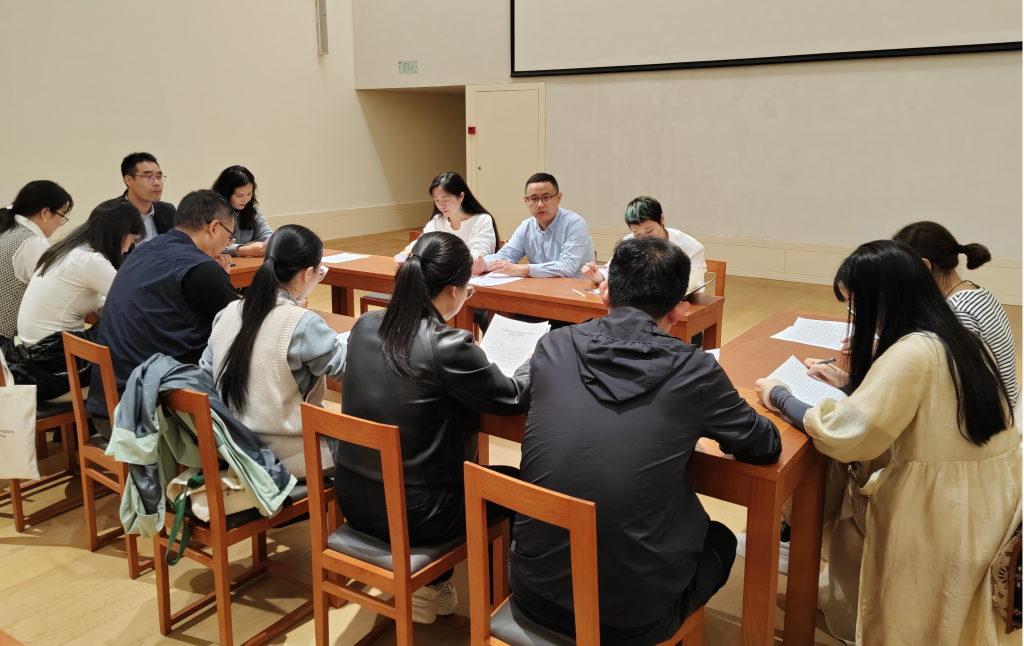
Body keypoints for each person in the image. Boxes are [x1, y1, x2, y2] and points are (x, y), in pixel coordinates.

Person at [510, 236, 782, 646]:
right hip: (630, 620)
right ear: (680, 309)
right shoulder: (695, 370)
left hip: (530, 592)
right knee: (721, 538)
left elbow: (529, 396)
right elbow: (763, 446)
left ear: (606, 294)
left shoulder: (553, 346)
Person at [755, 240, 1021, 646]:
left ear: (883, 302)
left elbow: (844, 434)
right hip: (992, 498)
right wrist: (850, 381)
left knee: (841, 495)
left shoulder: (914, 351)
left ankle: (825, 590)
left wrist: (778, 395)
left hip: (941, 508)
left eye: (856, 307)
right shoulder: (955, 333)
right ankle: (839, 603)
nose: (855, 318)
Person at [334, 231, 529, 624]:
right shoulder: (447, 345)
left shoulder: (366, 325)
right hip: (417, 513)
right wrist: (533, 359)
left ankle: (432, 586)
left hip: (351, 497)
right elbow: (512, 397)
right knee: (514, 486)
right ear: (454, 290)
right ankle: (500, 612)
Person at [201, 225, 346, 477]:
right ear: (308, 273)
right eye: (319, 272)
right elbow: (348, 369)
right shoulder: (302, 323)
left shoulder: (227, 313)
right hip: (291, 459)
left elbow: (204, 377)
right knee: (374, 445)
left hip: (234, 450)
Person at [86, 190, 239, 418]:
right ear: (214, 227)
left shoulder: (143, 251)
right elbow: (243, 328)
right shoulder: (202, 268)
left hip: (108, 402)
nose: (227, 244)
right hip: (151, 415)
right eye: (229, 236)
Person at [894, 221, 1019, 426]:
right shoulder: (974, 291)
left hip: (989, 420)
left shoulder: (957, 313)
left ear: (925, 266)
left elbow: (954, 388)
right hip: (1001, 405)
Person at [18, 198, 144, 345]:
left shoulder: (69, 249)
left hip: (30, 346)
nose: (128, 249)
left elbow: (97, 297)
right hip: (52, 350)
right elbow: (132, 302)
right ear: (119, 235)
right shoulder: (91, 260)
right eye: (132, 240)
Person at [582, 196, 707, 294]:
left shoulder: (690, 247)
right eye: (637, 234)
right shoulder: (629, 242)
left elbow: (697, 287)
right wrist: (594, 275)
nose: (645, 239)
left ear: (662, 219)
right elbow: (611, 272)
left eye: (649, 231)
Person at [481, 173, 594, 279]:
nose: (540, 205)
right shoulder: (525, 227)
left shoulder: (575, 224)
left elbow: (566, 268)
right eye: (534, 199)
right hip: (541, 289)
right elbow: (505, 256)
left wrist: (522, 269)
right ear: (526, 201)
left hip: (576, 290)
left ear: (558, 198)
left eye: (546, 197)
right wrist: (480, 265)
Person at [1, 180, 73, 340]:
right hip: (6, 341)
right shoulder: (32, 242)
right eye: (62, 216)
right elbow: (55, 293)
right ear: (45, 213)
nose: (60, 224)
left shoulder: (5, 228)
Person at [401, 172, 498, 261]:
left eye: (445, 200)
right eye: (436, 200)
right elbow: (422, 242)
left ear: (461, 196)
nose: (441, 206)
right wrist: (407, 252)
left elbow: (479, 256)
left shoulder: (482, 220)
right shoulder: (438, 221)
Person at [212, 165, 272, 257]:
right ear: (226, 193)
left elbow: (267, 235)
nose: (245, 199)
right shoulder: (210, 211)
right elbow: (207, 245)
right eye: (239, 196)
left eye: (249, 194)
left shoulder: (252, 210)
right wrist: (242, 250)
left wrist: (264, 246)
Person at [119, 152, 175, 244]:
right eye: (148, 177)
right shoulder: (110, 214)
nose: (157, 183)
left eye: (159, 177)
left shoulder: (168, 211)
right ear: (129, 180)